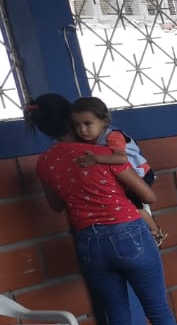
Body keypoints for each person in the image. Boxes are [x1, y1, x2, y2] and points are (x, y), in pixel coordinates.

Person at [26, 94, 177, 325]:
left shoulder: (45, 163)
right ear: (70, 120)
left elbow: (56, 205)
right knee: (159, 312)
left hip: (89, 243)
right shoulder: (102, 154)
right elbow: (148, 196)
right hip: (129, 235)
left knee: (117, 321)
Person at [67, 96, 166, 245]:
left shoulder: (113, 136)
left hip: (141, 175)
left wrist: (95, 158)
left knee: (132, 207)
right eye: (77, 125)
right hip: (126, 177)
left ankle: (155, 232)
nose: (82, 130)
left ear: (104, 121)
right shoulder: (92, 139)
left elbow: (121, 158)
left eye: (88, 124)